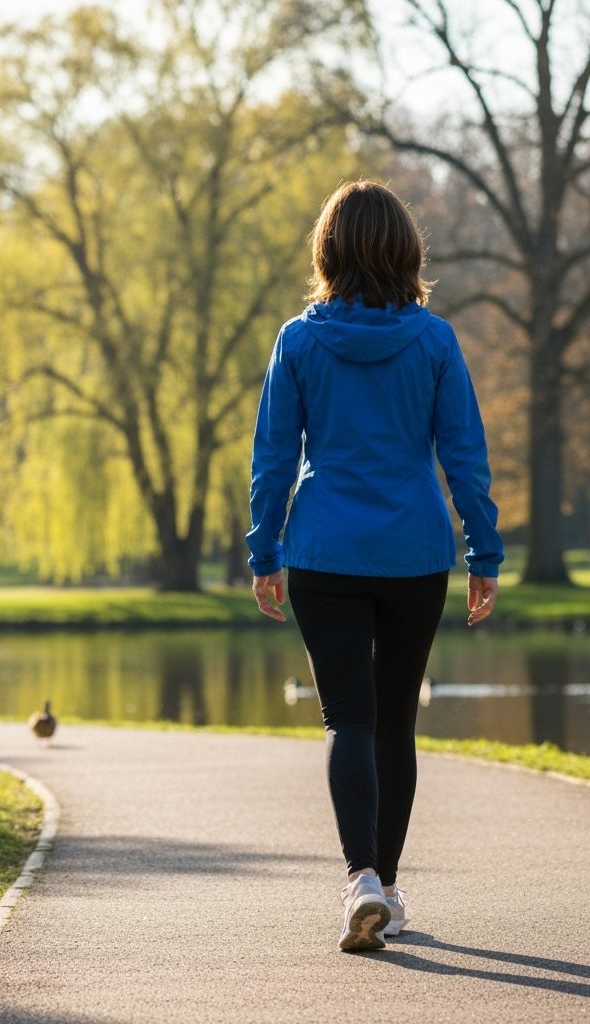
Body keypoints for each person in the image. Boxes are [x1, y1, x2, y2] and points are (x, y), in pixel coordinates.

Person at [246, 180, 504, 953]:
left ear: (327, 251)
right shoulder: (433, 341)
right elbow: (464, 456)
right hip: (413, 553)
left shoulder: (298, 341)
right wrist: (483, 552)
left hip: (323, 550)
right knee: (396, 721)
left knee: (347, 720)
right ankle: (386, 889)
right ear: (406, 251)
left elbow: (272, 457)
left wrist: (264, 551)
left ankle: (361, 877)